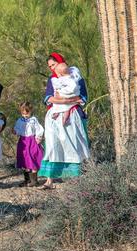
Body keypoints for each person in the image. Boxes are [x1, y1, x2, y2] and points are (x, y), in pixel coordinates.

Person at [38, 52, 90, 189]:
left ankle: (76, 179)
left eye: (53, 65)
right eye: (49, 66)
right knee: (53, 145)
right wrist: (64, 101)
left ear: (61, 62)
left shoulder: (77, 78)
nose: (52, 68)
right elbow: (48, 98)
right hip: (54, 115)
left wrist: (67, 102)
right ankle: (49, 180)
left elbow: (82, 98)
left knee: (74, 144)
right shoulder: (52, 79)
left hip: (73, 114)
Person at [12, 102, 44, 187]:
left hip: (32, 141)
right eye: (23, 113)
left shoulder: (33, 119)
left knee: (33, 158)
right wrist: (15, 131)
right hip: (23, 141)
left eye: (27, 113)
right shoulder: (20, 120)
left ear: (31, 111)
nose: (25, 115)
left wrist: (38, 137)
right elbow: (17, 129)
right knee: (24, 160)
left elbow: (39, 129)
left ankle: (34, 180)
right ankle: (27, 180)